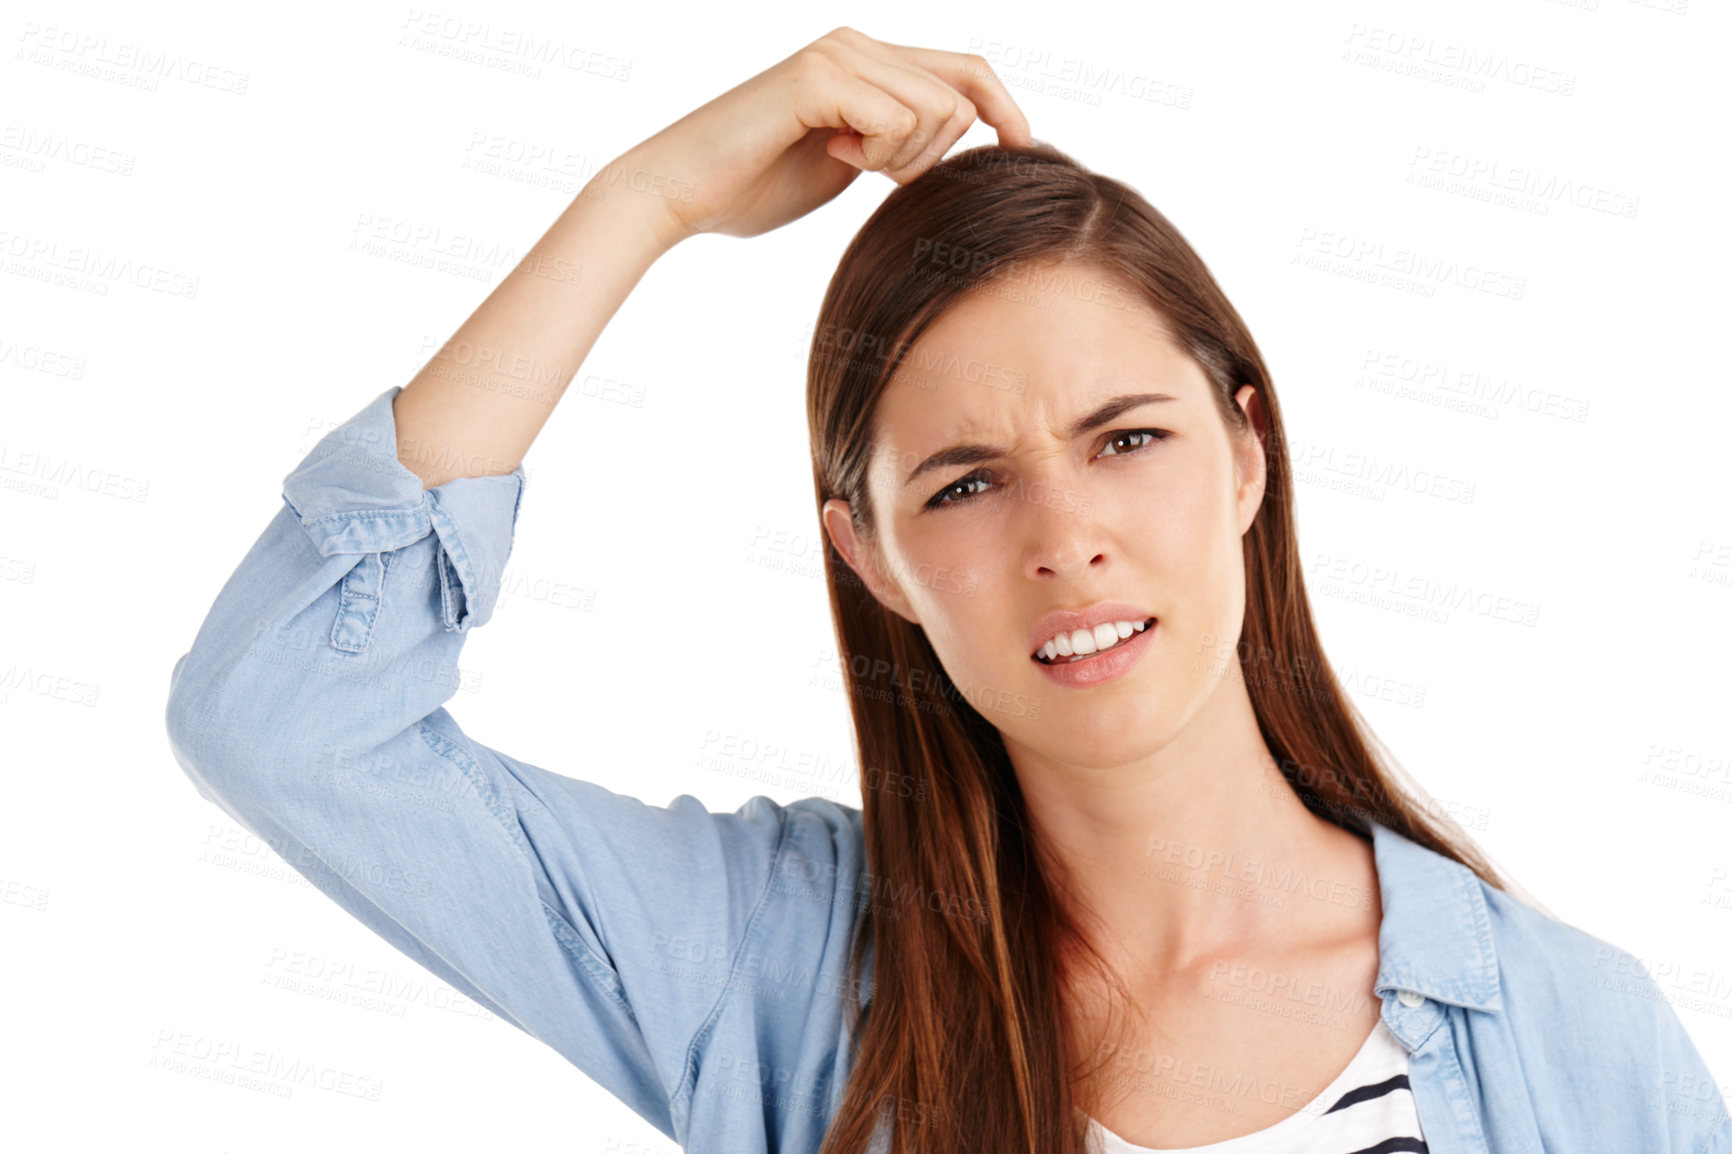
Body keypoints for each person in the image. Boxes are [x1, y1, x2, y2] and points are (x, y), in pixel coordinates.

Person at [165, 25, 1729, 1154]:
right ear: (872, 557)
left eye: (1126, 439)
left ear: (1248, 454)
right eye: (966, 482)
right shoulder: (781, 968)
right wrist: (645, 201)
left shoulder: (1573, 1042)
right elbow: (288, 723)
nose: (1067, 537)